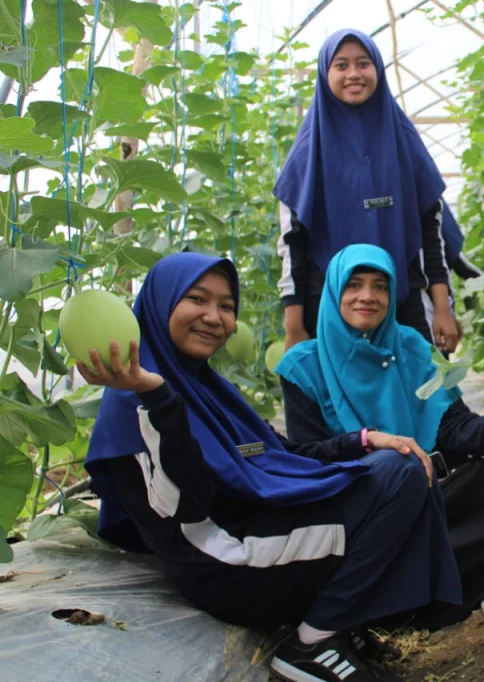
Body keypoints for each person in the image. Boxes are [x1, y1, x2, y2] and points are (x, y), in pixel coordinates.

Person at [81, 253, 462, 682]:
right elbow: (185, 510)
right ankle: (313, 644)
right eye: (197, 300)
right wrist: (158, 400)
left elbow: (279, 456)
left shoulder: (206, 387)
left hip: (256, 530)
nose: (214, 317)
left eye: (226, 306)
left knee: (401, 464)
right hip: (227, 563)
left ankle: (342, 623)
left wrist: (364, 439)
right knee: (399, 477)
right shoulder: (137, 400)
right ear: (158, 304)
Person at [275, 244, 484, 629]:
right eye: (354, 285)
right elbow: (309, 457)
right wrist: (371, 444)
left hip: (429, 500)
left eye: (380, 286)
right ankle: (399, 596)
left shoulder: (413, 348)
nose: (368, 296)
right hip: (364, 513)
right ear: (334, 291)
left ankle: (399, 606)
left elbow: (457, 431)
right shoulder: (302, 367)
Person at [274, 28, 464, 355]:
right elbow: (294, 244)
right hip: (331, 306)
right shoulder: (309, 152)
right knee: (340, 403)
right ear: (325, 73)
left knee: (426, 397)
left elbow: (431, 232)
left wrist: (443, 308)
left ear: (377, 68)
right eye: (341, 65)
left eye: (363, 64)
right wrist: (294, 326)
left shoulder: (403, 140)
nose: (353, 74)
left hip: (406, 299)